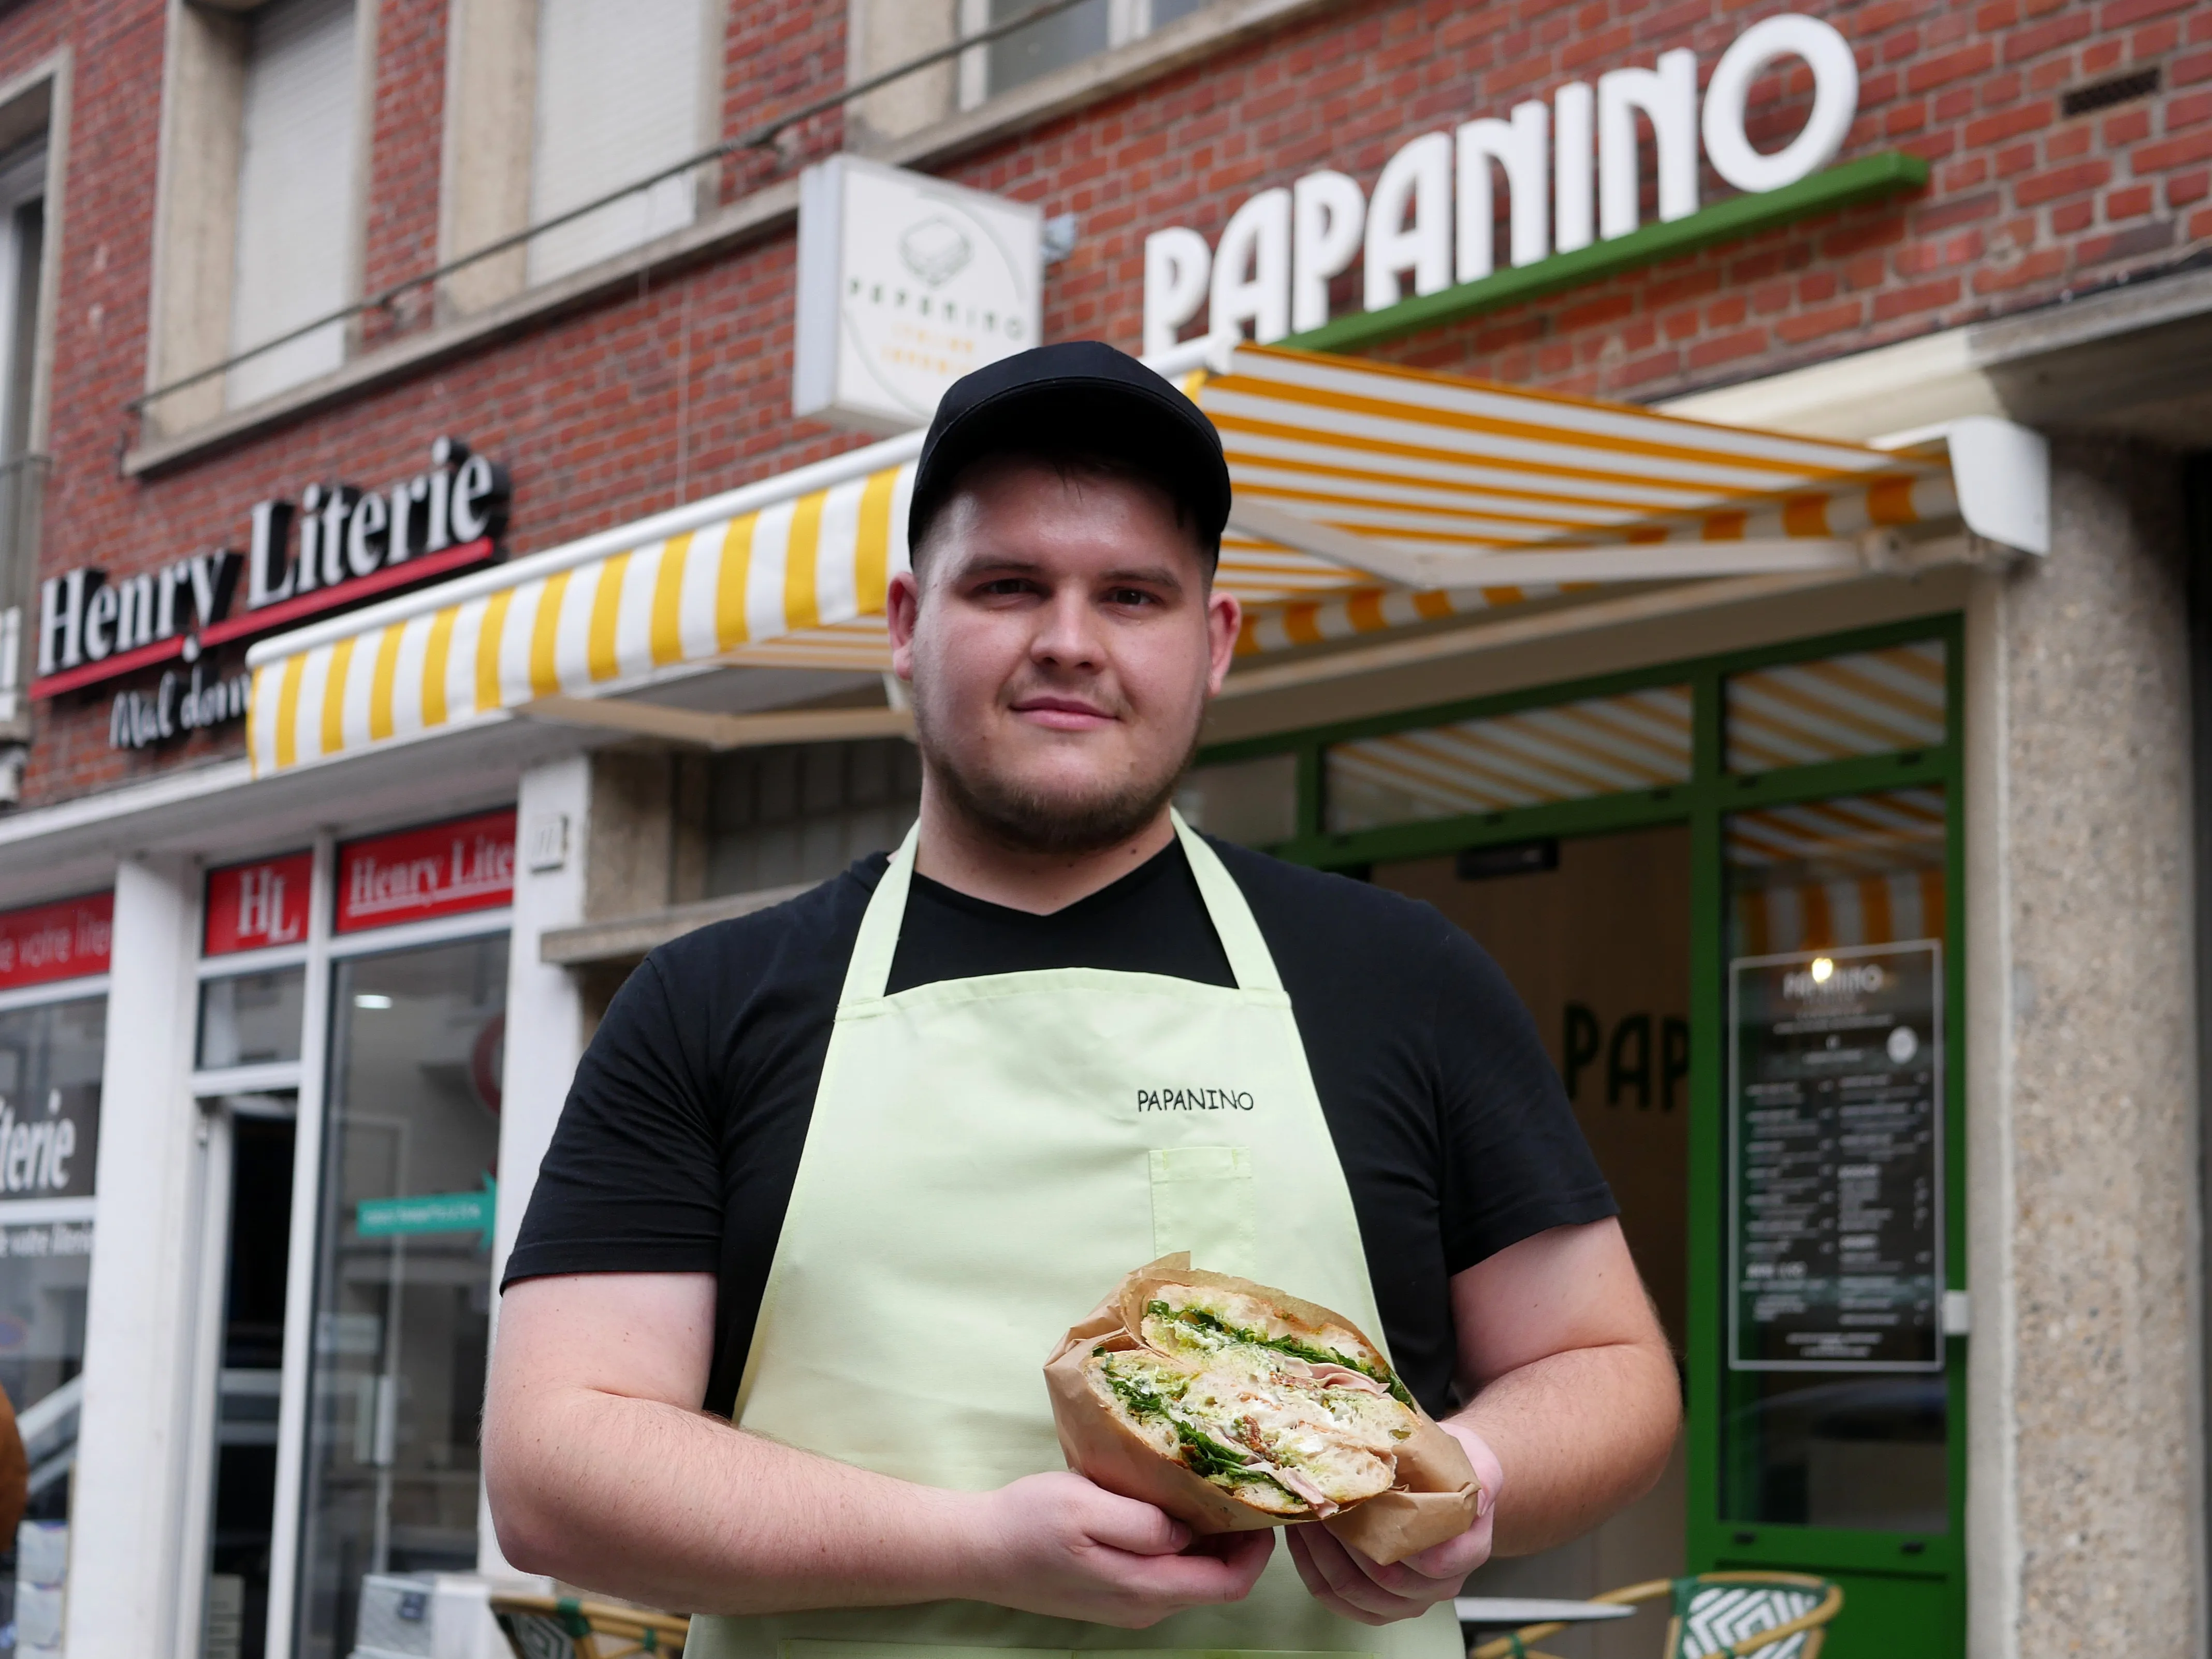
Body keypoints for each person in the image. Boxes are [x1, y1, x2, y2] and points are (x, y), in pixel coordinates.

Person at [484, 342, 1679, 1658]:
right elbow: (552, 1464)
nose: (1069, 641)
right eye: (1007, 586)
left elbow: (1609, 1371)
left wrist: (1471, 1483)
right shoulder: (711, 1004)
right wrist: (971, 1548)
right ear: (905, 622)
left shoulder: (1403, 976)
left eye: (1132, 595)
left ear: (1211, 640)